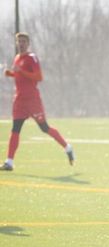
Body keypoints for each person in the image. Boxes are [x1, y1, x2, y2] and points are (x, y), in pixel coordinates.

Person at [1, 32, 74, 171]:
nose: (21, 44)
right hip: (19, 101)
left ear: (28, 44)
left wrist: (20, 71)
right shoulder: (17, 58)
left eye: (23, 41)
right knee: (15, 129)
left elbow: (38, 77)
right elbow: (20, 76)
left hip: (32, 100)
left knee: (44, 128)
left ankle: (67, 147)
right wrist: (10, 74)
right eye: (19, 41)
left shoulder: (31, 57)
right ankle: (9, 162)